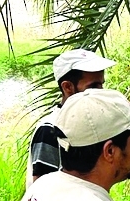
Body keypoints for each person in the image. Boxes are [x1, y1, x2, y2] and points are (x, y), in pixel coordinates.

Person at [28, 48, 116, 185]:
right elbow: (43, 191)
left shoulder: (88, 124)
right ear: (68, 87)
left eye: (101, 85)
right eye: (94, 86)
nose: (100, 92)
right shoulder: (49, 130)